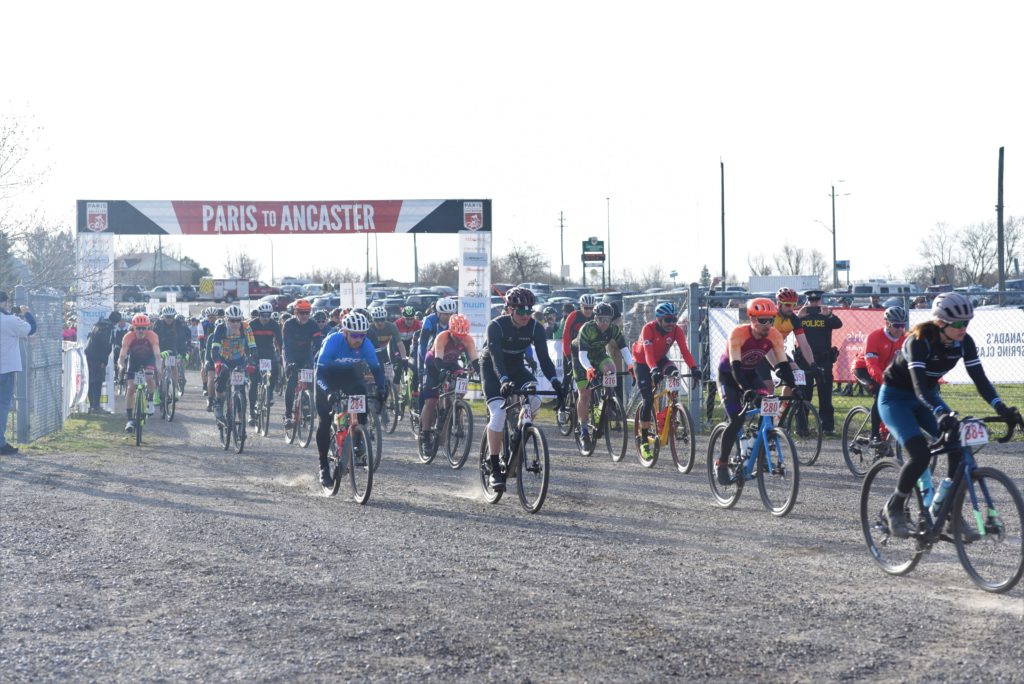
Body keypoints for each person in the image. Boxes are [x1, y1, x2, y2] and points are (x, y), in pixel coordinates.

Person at [879, 293, 1019, 537]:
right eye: (957, 324)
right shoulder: (918, 341)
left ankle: (948, 511)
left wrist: (1002, 408)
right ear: (940, 322)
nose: (963, 328)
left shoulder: (965, 342)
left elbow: (980, 380)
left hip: (927, 397)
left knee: (956, 444)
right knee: (920, 454)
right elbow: (919, 386)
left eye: (967, 322)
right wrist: (940, 413)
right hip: (896, 398)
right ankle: (895, 506)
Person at [481, 287, 562, 492]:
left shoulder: (535, 328)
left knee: (534, 400)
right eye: (521, 311)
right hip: (493, 368)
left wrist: (555, 381)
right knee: (498, 413)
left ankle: (520, 430)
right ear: (509, 310)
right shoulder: (496, 326)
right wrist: (504, 380)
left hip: (516, 367)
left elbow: (544, 359)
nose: (526, 315)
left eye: (529, 311)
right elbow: (496, 359)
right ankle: (494, 468)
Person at [715, 298, 798, 485]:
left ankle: (758, 445)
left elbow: (783, 365)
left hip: (750, 374)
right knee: (736, 419)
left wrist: (795, 387)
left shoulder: (774, 335)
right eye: (762, 320)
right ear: (752, 319)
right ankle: (722, 462)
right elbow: (735, 366)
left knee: (768, 402)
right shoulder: (738, 333)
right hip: (729, 376)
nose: (767, 324)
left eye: (771, 319)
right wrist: (746, 390)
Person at [314, 312, 388, 488]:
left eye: (362, 335)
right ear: (345, 332)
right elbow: (319, 374)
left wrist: (382, 389)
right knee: (324, 420)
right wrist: (328, 392)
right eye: (355, 335)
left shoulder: (366, 345)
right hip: (326, 377)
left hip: (348, 375)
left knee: (361, 391)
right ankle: (323, 465)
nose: (359, 339)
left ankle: (358, 436)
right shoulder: (332, 342)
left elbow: (377, 370)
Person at [631, 301, 700, 461]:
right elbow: (647, 353)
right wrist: (653, 369)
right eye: (668, 320)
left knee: (674, 372)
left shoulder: (676, 331)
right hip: (642, 362)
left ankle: (672, 410)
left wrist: (694, 368)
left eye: (674, 319)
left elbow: (685, 351)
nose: (671, 323)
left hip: (660, 359)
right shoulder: (648, 328)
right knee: (648, 399)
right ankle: (644, 441)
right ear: (659, 320)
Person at [571, 302, 633, 444]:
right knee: (585, 393)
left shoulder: (613, 329)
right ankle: (584, 429)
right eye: (601, 319)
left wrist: (630, 365)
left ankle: (607, 398)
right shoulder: (587, 329)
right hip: (580, 357)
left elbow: (624, 348)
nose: (604, 323)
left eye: (607, 320)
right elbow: (582, 356)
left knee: (611, 369)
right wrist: (588, 368)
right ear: (595, 318)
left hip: (598, 354)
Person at [419, 313, 480, 453]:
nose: (459, 340)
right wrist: (442, 373)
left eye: (462, 337)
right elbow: (438, 359)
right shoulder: (442, 337)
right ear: (451, 331)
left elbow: (475, 361)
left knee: (461, 382)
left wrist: (482, 375)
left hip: (451, 363)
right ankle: (426, 437)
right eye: (457, 337)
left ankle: (454, 408)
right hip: (433, 364)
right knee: (431, 401)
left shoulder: (467, 340)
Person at [852, 305, 907, 445]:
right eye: (897, 325)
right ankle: (874, 435)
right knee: (879, 393)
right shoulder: (874, 337)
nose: (900, 329)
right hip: (863, 369)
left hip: (886, 371)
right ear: (887, 324)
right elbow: (872, 366)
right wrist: (885, 382)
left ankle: (885, 431)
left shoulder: (904, 339)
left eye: (903, 325)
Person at [795, 290, 843, 434]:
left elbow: (838, 324)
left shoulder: (826, 316)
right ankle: (802, 428)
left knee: (825, 393)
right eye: (812, 301)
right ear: (807, 301)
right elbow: (790, 327)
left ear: (820, 300)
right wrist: (798, 316)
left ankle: (827, 427)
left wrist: (828, 314)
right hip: (804, 361)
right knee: (804, 394)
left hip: (824, 360)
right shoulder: (801, 317)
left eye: (817, 301)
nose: (814, 303)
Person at [0, 292, 37, 454]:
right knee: (2, 406)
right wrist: (26, 312)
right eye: (7, 302)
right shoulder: (9, 320)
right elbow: (31, 328)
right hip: (5, 368)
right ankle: (0, 443)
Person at [207, 305, 257, 424]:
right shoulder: (220, 328)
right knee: (223, 376)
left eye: (238, 320)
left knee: (241, 389)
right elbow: (214, 349)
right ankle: (218, 404)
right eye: (232, 320)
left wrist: (251, 361)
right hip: (224, 358)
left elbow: (253, 348)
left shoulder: (246, 328)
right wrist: (218, 363)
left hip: (239, 359)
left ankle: (241, 419)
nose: (235, 323)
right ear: (226, 319)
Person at [117, 313, 161, 433]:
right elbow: (122, 356)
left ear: (148, 328)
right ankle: (130, 419)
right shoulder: (128, 337)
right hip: (134, 361)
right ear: (133, 327)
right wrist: (121, 367)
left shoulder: (152, 336)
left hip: (149, 359)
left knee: (149, 378)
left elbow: (157, 355)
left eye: (144, 328)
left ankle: (151, 400)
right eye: (138, 328)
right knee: (131, 388)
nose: (141, 331)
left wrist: (159, 368)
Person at [282, 299, 323, 428]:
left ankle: (308, 404)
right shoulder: (288, 324)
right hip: (291, 354)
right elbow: (286, 346)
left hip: (306, 355)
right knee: (292, 380)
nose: (305, 315)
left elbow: (318, 344)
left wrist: (318, 359)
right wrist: (289, 363)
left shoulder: (313, 325)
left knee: (311, 380)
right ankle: (288, 415)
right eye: (301, 313)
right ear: (295, 312)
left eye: (307, 312)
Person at [248, 301, 283, 426]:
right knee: (254, 382)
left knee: (275, 369)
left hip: (268, 353)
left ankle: (270, 391)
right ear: (258, 314)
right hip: (254, 353)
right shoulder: (251, 324)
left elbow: (279, 341)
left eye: (268, 315)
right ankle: (251, 412)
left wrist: (281, 355)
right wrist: (249, 358)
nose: (266, 318)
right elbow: (246, 341)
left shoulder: (274, 324)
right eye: (263, 315)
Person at [84, 311, 120, 413]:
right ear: (116, 322)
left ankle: (92, 406)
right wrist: (103, 361)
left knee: (91, 381)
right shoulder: (107, 328)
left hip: (89, 356)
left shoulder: (99, 324)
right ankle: (96, 407)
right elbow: (105, 346)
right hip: (97, 358)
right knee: (97, 382)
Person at [561, 294, 597, 383]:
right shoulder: (573, 316)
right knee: (568, 376)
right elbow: (566, 338)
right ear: (581, 306)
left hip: (588, 350)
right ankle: (563, 394)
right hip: (572, 350)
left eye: (591, 308)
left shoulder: (595, 317)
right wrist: (568, 357)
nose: (589, 310)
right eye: (586, 308)